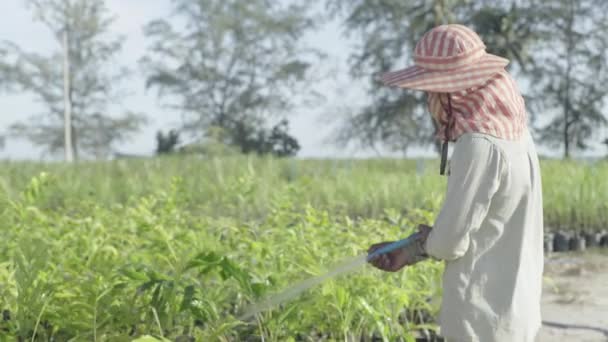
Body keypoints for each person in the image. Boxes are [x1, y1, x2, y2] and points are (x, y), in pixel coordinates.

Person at [367, 24, 544, 342]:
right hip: (515, 309)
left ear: (450, 92)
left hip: (481, 318)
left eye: (432, 91)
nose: (430, 101)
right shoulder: (516, 135)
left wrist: (419, 245)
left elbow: (449, 243)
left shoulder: (479, 144)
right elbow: (482, 225)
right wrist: (413, 249)